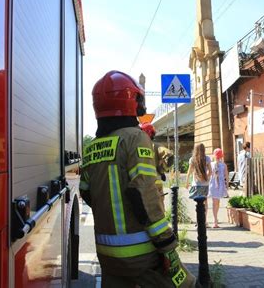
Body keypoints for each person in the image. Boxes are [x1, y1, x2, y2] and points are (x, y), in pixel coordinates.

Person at [79, 70, 195, 287]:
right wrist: (167, 244)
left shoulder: (91, 148)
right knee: (185, 284)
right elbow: (143, 193)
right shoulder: (135, 138)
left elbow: (86, 192)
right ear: (130, 100)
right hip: (141, 254)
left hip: (106, 255)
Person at [140, 122, 174, 209]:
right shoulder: (156, 146)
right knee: (159, 208)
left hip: (143, 183)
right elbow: (169, 156)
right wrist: (161, 170)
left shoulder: (138, 146)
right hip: (157, 182)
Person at [185, 143, 212, 219]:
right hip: (205, 184)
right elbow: (210, 172)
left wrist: (187, 182)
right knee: (205, 202)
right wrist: (206, 178)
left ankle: (198, 220)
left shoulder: (192, 159)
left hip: (196, 184)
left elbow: (189, 172)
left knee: (197, 203)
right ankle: (204, 221)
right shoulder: (207, 158)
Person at [208, 148, 229, 228]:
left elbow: (208, 174)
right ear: (221, 156)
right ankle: (215, 220)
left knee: (214, 202)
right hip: (220, 185)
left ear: (214, 155)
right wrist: (227, 185)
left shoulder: (211, 164)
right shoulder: (224, 165)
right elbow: (226, 176)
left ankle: (215, 220)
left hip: (213, 184)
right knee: (217, 202)